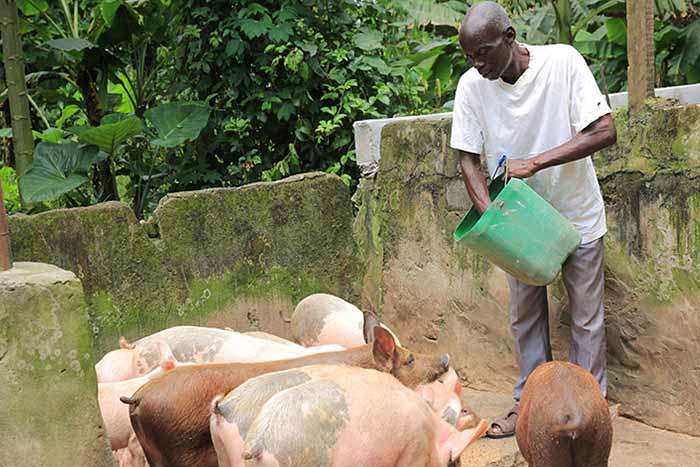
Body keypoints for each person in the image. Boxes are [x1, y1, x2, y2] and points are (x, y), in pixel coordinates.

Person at [450, 2, 617, 438]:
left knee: (586, 321)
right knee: (526, 319)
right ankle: (529, 412)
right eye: (470, 56)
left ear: (509, 37)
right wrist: (495, 221)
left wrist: (535, 163)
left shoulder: (562, 62)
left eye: (483, 52)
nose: (477, 64)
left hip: (576, 215)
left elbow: (604, 130)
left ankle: (590, 415)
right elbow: (467, 158)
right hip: (520, 225)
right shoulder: (472, 86)